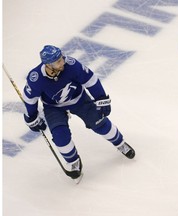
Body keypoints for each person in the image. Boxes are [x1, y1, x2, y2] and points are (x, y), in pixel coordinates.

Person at [23, 45, 135, 182]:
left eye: (61, 58)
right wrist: (31, 116)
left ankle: (120, 143)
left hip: (79, 100)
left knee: (100, 124)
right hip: (54, 108)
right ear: (48, 65)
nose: (62, 62)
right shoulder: (35, 78)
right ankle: (74, 161)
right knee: (60, 136)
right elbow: (30, 99)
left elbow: (91, 80)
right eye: (58, 61)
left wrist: (101, 98)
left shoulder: (72, 65)